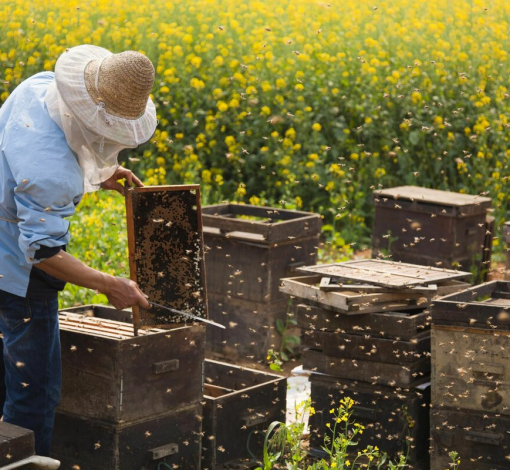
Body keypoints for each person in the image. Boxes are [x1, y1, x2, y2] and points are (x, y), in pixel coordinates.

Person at [0, 45, 156, 456]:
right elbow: (44, 251)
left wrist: (100, 172)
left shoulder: (39, 87)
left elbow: (28, 156)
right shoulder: (51, 173)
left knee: (7, 367)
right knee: (34, 392)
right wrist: (109, 284)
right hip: (14, 267)